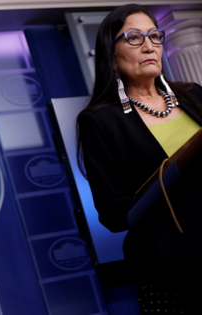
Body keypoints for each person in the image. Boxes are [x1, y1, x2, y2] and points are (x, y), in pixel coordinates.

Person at [77, 4, 202, 314]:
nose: (149, 45)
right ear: (111, 54)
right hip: (171, 264)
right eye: (133, 37)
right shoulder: (99, 121)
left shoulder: (194, 95)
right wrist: (172, 176)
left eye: (154, 36)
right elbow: (112, 214)